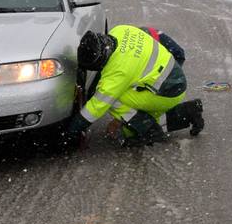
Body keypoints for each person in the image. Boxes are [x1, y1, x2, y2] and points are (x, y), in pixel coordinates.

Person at [67, 25, 204, 145]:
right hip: (174, 80)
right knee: (142, 122)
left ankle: (148, 131)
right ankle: (188, 112)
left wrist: (70, 131)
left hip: (167, 92)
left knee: (114, 99)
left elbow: (96, 106)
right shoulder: (120, 30)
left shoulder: (119, 71)